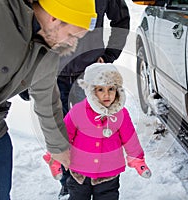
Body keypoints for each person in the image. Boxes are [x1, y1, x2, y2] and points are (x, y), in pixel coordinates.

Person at [0, 0, 97, 199]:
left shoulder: (48, 55)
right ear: (54, 17)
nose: (72, 45)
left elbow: (47, 102)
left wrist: (61, 150)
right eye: (72, 36)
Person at [55, 0, 130, 198]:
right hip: (54, 74)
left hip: (89, 75)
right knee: (61, 132)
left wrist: (109, 55)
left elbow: (121, 20)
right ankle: (69, 184)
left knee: (93, 133)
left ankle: (100, 185)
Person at [44, 63, 152, 200]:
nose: (107, 95)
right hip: (80, 173)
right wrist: (55, 157)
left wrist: (137, 159)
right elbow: (63, 136)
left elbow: (130, 138)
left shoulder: (121, 114)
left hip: (109, 174)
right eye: (100, 89)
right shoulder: (78, 111)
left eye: (111, 89)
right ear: (91, 91)